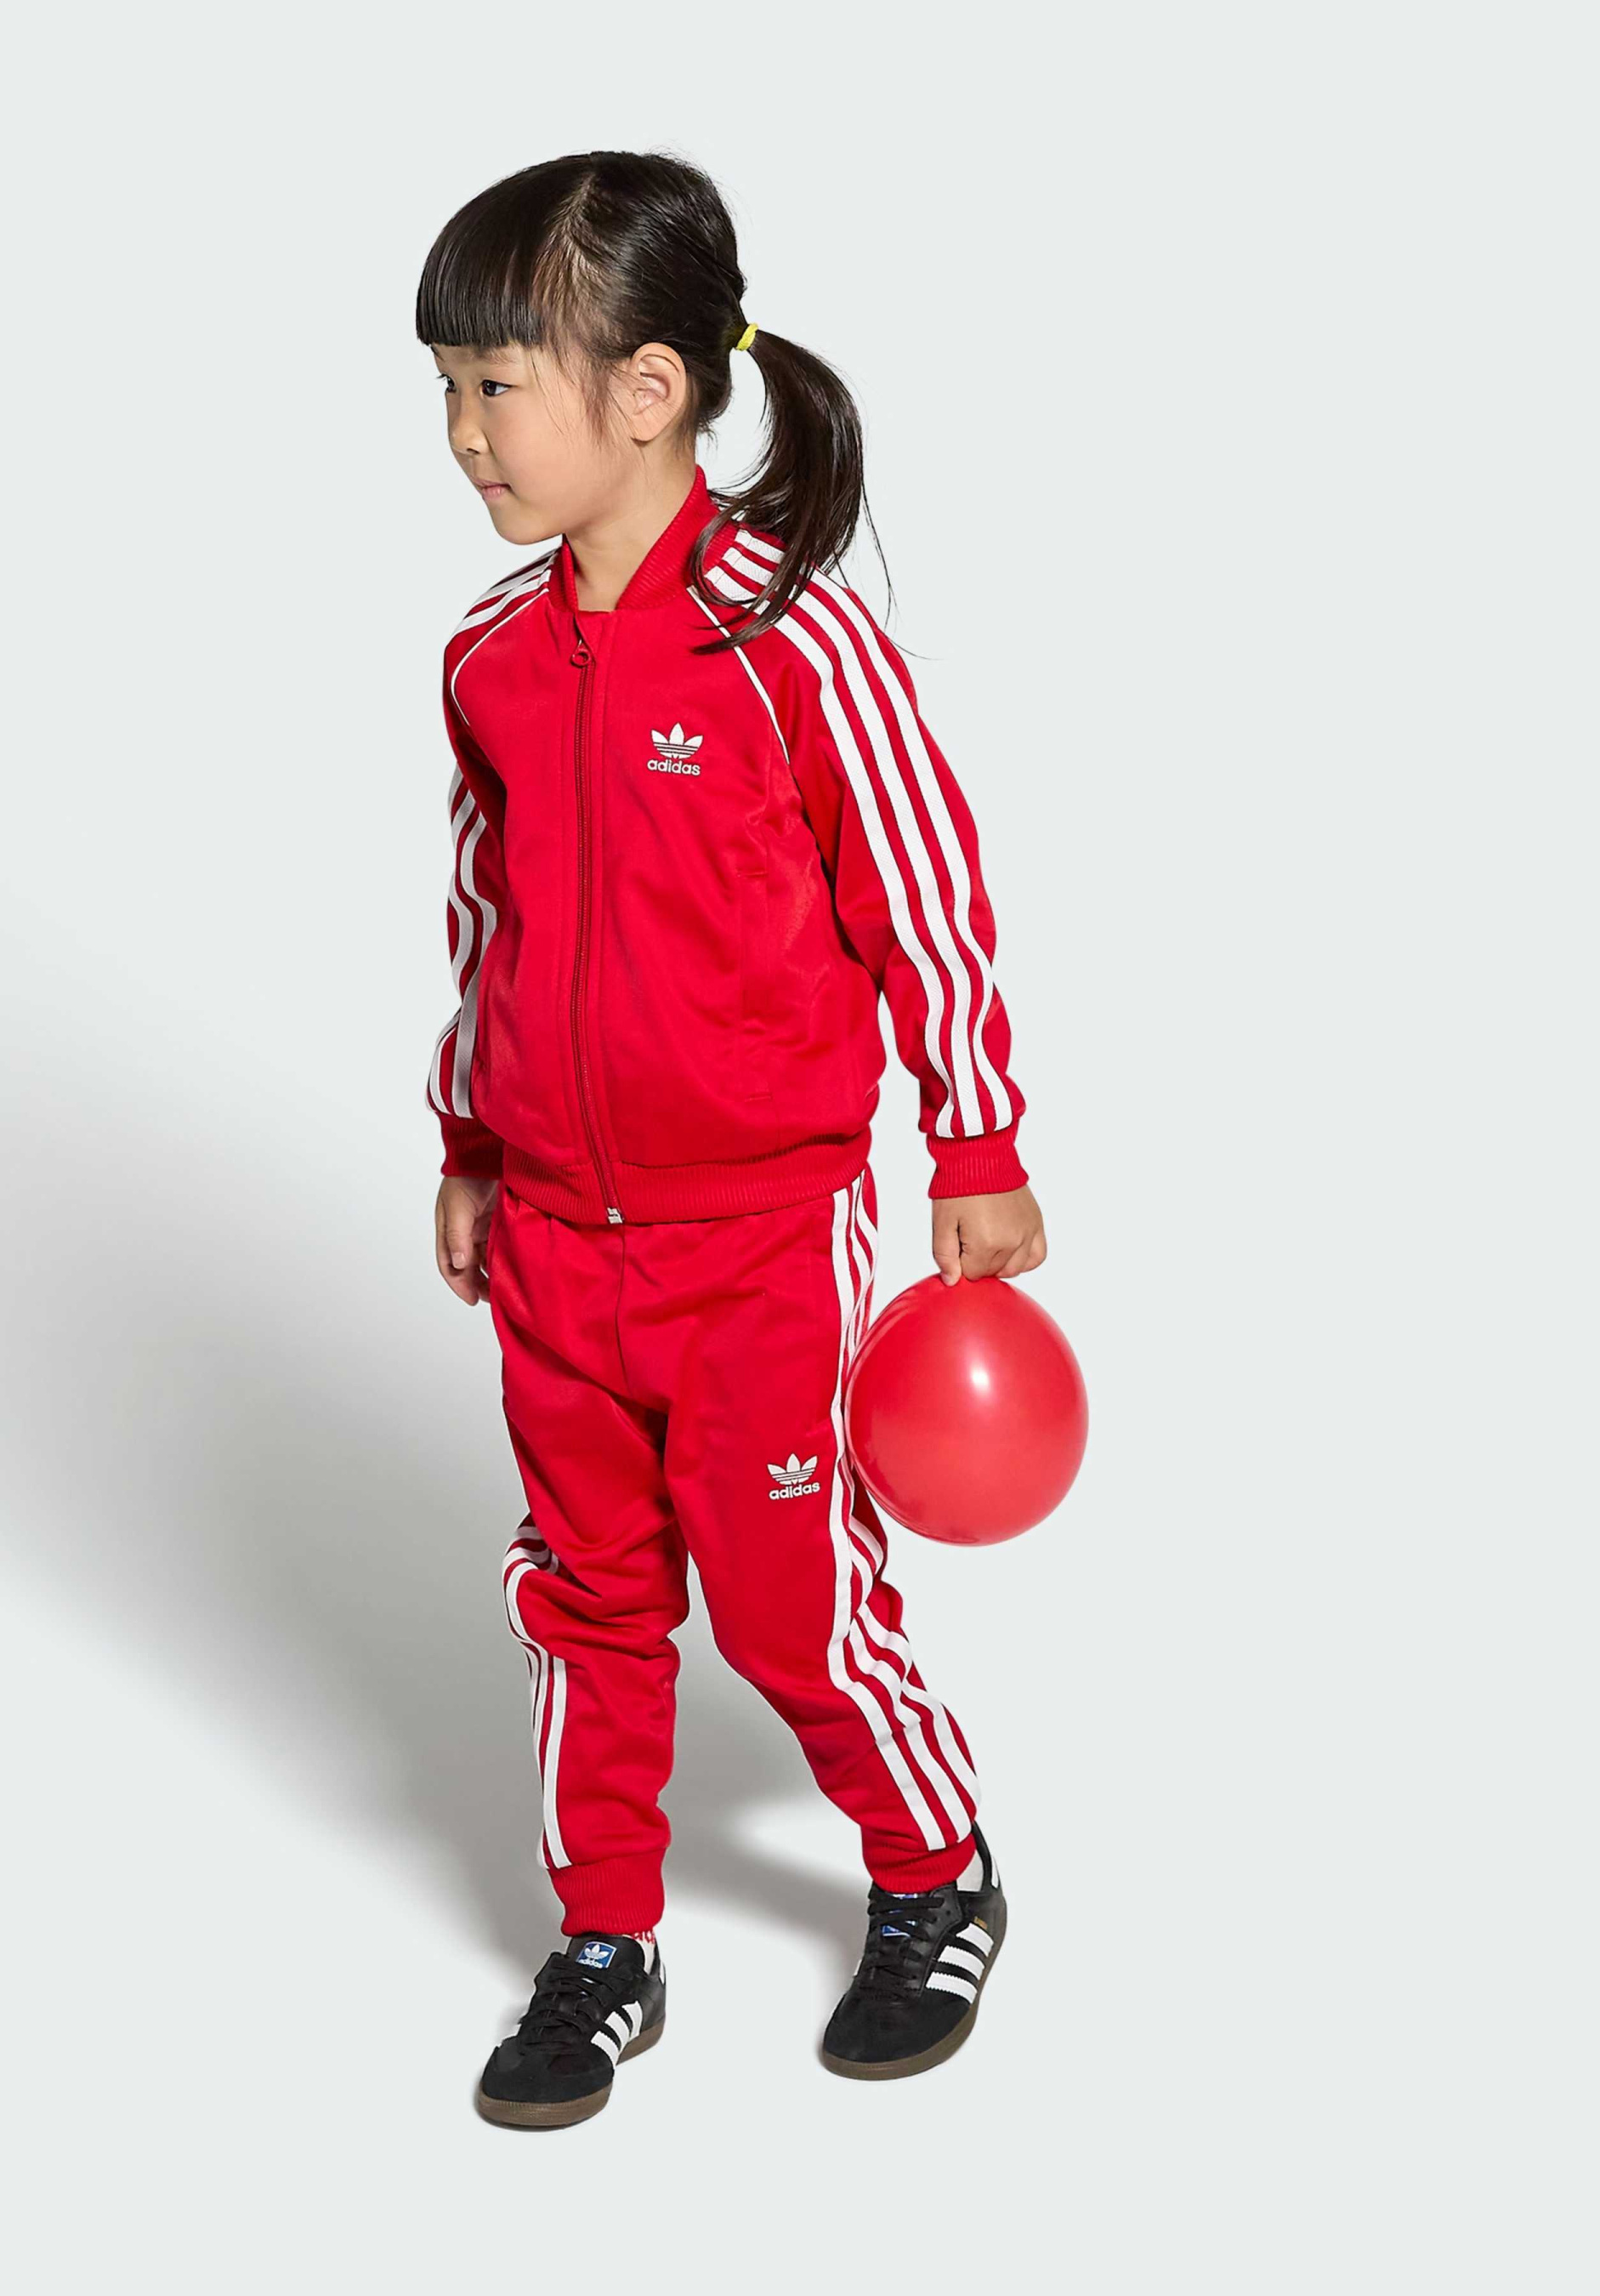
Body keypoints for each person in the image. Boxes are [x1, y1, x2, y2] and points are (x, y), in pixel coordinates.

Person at [417, 150, 1046, 2128]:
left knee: (788, 1598)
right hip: (556, 1238)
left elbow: (920, 891)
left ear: (649, 389)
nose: (463, 432)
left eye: (496, 383)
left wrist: (973, 1140)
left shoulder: (790, 642)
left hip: (761, 1236)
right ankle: (604, 1942)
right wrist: (469, 1135)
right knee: (584, 1594)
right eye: (444, 388)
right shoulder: (491, 654)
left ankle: (933, 1868)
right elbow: (487, 911)